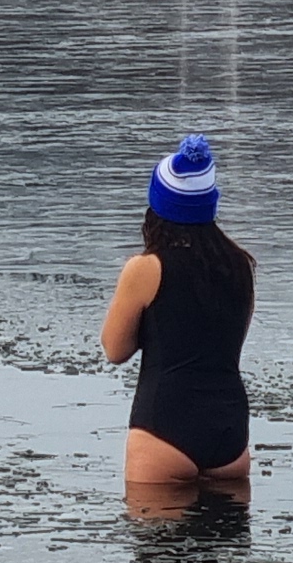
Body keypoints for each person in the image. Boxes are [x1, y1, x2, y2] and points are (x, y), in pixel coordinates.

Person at [100, 134, 253, 496]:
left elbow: (114, 349)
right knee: (228, 551)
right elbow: (229, 341)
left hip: (163, 429)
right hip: (229, 430)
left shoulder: (145, 268)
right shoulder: (240, 265)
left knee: (159, 551)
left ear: (158, 206)